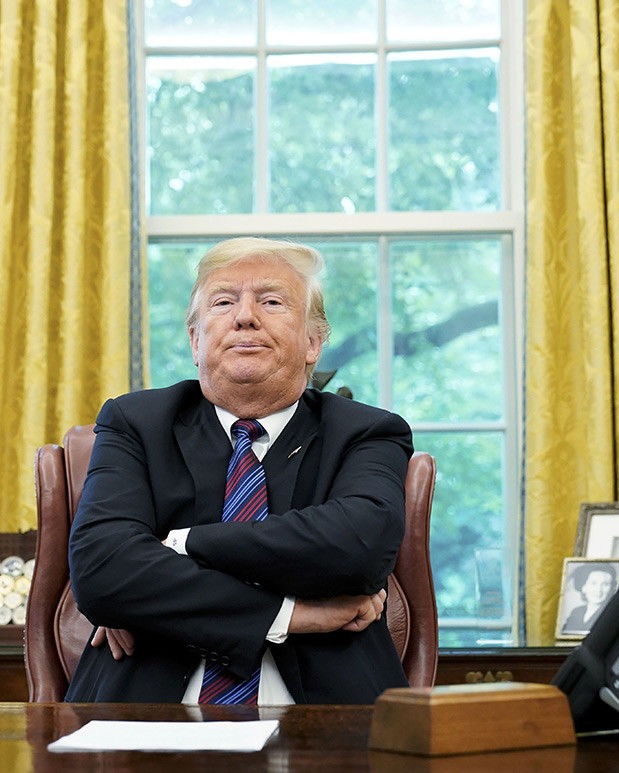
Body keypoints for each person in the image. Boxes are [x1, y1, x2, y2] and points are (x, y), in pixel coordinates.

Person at [64, 237, 413, 704]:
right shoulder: (136, 423)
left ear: (313, 342)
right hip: (143, 710)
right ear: (195, 340)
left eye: (271, 301)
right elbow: (103, 571)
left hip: (333, 715)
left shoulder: (366, 432)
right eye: (224, 302)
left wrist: (176, 547)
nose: (245, 316)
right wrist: (293, 613)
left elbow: (360, 548)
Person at [561, 563, 619, 635]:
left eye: (605, 584)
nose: (598, 590)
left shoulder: (612, 614)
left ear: (611, 588)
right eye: (593, 583)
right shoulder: (576, 612)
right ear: (583, 587)